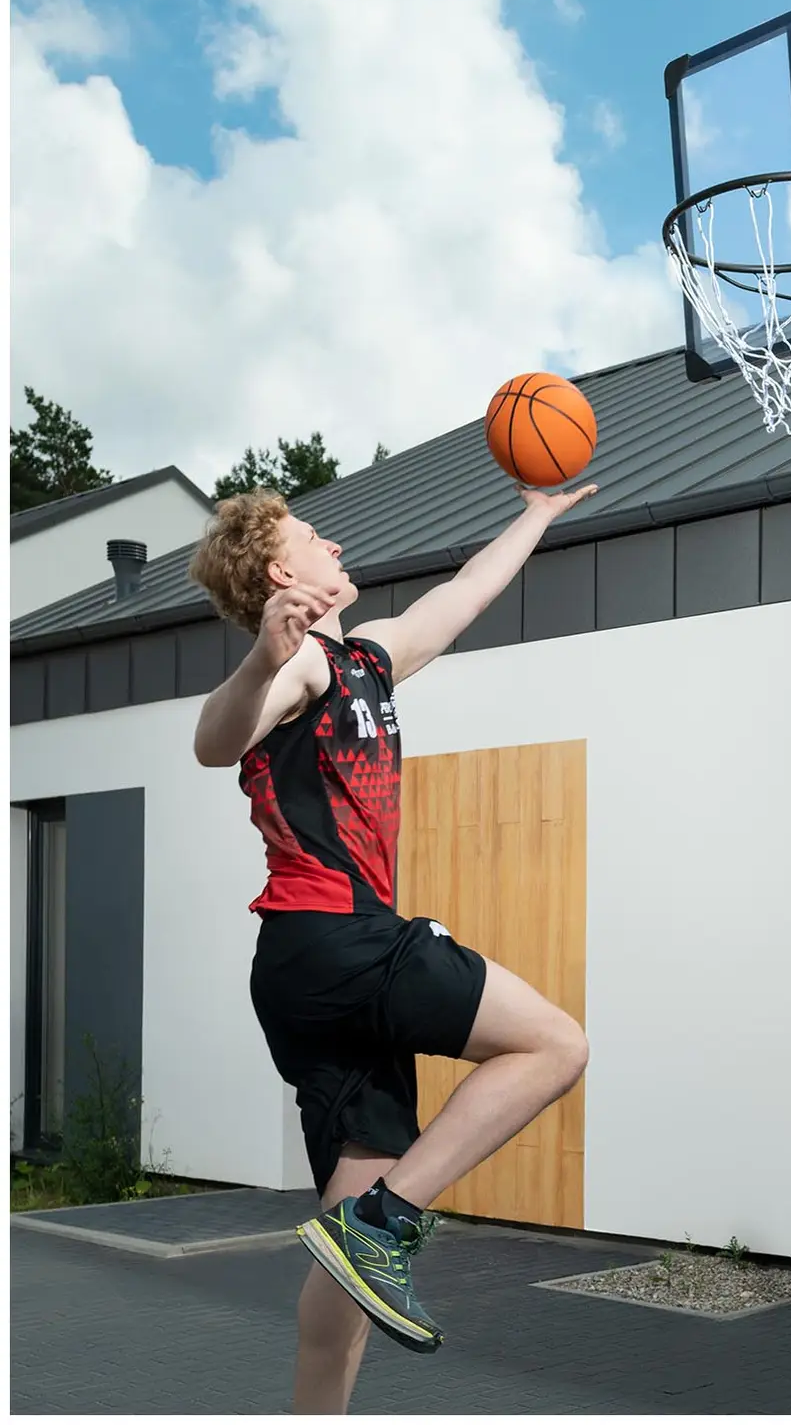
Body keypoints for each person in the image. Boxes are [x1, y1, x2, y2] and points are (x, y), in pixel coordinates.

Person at [188, 479, 597, 1414]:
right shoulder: (301, 668)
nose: (339, 546)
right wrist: (259, 659)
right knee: (555, 1043)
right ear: (286, 574)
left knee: (344, 1267)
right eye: (317, 540)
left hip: (311, 972)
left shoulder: (369, 657)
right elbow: (214, 743)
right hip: (336, 939)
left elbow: (458, 600)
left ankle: (363, 1246)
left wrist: (534, 516)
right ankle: (392, 1221)